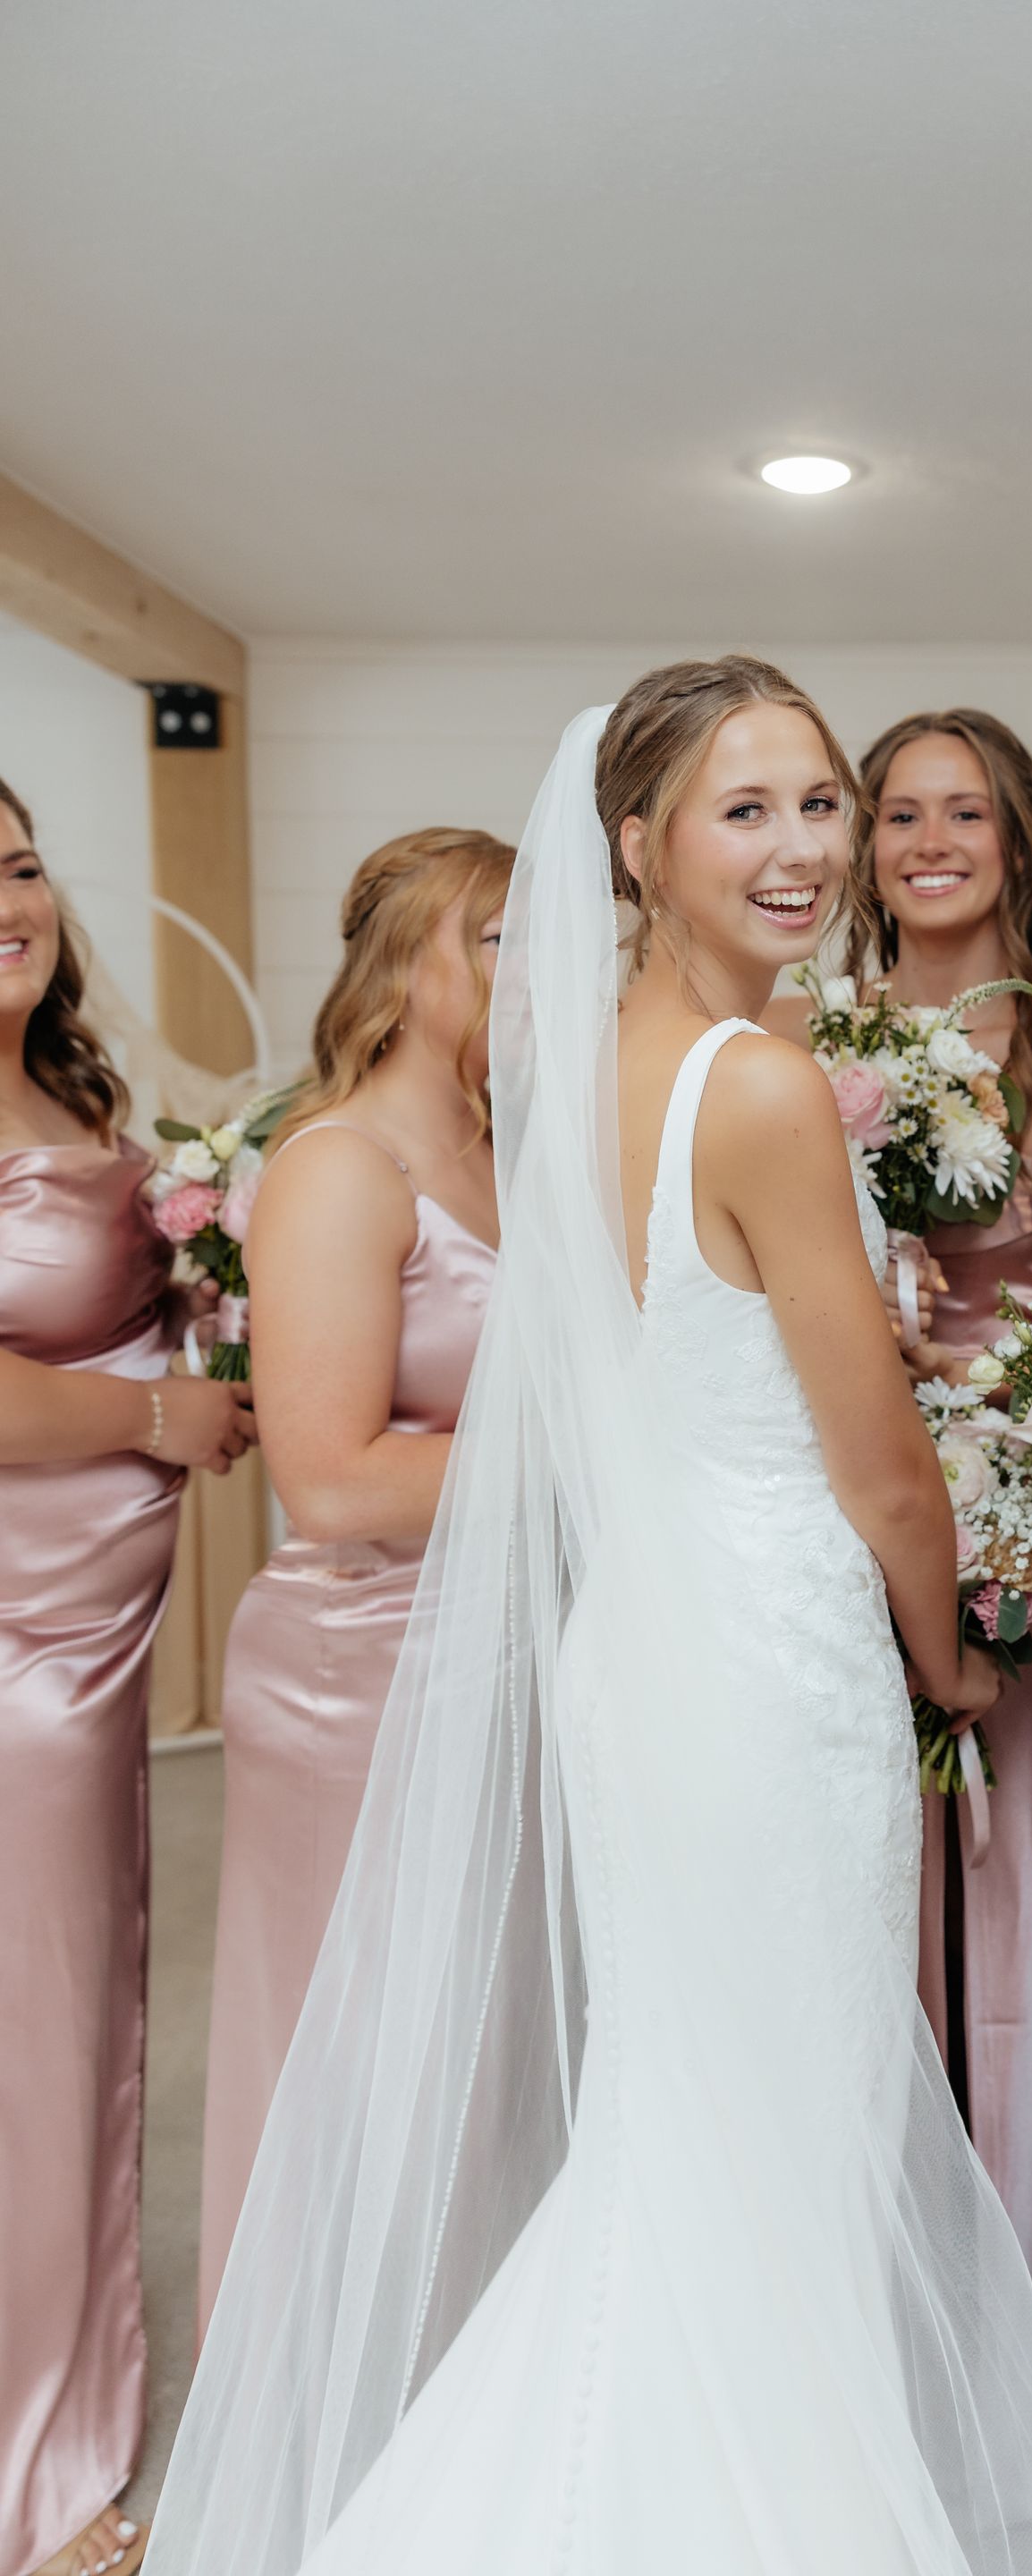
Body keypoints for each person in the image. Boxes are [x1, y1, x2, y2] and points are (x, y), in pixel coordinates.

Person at [148, 660, 1032, 2576]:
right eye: (743, 810)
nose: (803, 849)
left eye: (818, 803)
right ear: (638, 843)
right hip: (772, 1658)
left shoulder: (581, 1061)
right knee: (782, 2127)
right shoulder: (762, 1084)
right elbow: (877, 1477)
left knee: (698, 2124)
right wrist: (950, 1653)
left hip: (652, 1655)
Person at [774, 706, 1032, 2347]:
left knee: (1001, 1916)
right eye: (896, 815)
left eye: (964, 814)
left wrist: (1020, 1429)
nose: (927, 842)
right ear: (865, 852)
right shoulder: (807, 1047)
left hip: (1012, 1537)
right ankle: (850, 2303)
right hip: (826, 1527)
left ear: (1015, 839)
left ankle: (1010, 2307)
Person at [197, 828, 511, 2327]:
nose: (538, 971)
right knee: (351, 2057)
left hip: (493, 1649)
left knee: (477, 2048)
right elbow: (327, 1481)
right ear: (405, 967)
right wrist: (603, 1455)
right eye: (500, 940)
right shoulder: (340, 1167)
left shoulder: (510, 1153)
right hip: (357, 1666)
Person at [0, 779, 252, 2576]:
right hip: (7, 1653)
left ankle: (61, 2417)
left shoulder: (75, 1094)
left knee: (84, 2037)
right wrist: (159, 1411)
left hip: (90, 1644)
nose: (8, 900)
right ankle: (34, 2485)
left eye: (14, 864)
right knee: (33, 2039)